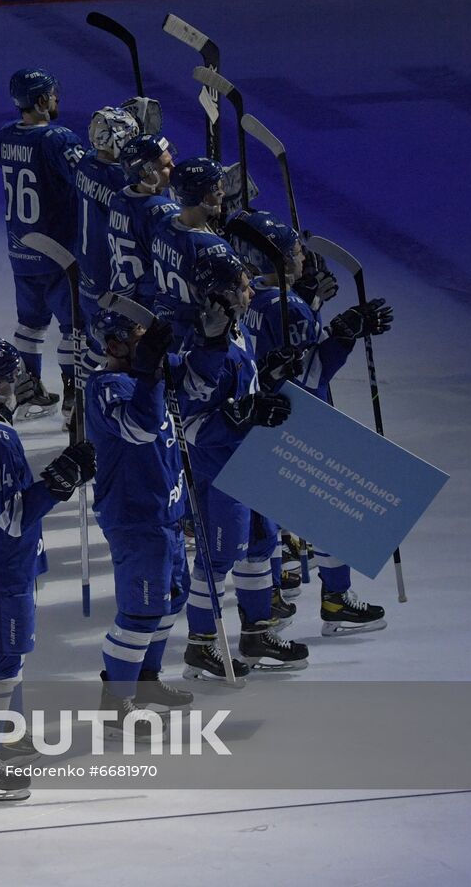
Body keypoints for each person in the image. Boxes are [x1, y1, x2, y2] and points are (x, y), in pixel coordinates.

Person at [0, 337, 95, 800]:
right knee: (3, 660)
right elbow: (13, 518)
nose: (22, 380)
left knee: (3, 654)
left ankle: (8, 732)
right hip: (0, 564)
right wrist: (60, 479)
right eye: (14, 375)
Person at [230, 211, 394, 635]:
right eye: (296, 251)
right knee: (327, 510)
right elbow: (311, 374)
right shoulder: (292, 309)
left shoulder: (250, 300)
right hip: (299, 417)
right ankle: (336, 602)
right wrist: (344, 333)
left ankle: (267, 597)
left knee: (266, 512)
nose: (304, 257)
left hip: (257, 416)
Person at [176, 252, 305, 678]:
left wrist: (267, 379)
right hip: (219, 472)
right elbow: (190, 425)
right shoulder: (198, 347)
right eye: (244, 286)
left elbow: (240, 395)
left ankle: (255, 633)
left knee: (260, 546)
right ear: (221, 295)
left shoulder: (236, 333)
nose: (252, 292)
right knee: (218, 556)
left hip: (248, 462)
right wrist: (246, 414)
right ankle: (200, 644)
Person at [84, 309, 194, 726]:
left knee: (171, 599)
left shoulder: (152, 375)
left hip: (164, 513)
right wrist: (148, 372)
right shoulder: (106, 386)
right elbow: (140, 429)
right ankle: (116, 705)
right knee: (141, 611)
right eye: (137, 336)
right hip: (135, 519)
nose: (147, 342)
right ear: (114, 345)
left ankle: (146, 681)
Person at [0, 68, 86, 419]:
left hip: (21, 248)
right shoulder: (59, 139)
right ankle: (75, 396)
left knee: (30, 324)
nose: (57, 98)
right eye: (52, 93)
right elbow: (87, 178)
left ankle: (27, 390)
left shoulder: (4, 137)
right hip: (59, 252)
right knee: (75, 326)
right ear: (42, 100)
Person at [69, 105, 140, 428]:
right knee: (110, 348)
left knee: (95, 346)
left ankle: (79, 409)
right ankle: (89, 413)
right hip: (109, 277)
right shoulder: (118, 180)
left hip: (86, 271)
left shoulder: (85, 163)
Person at [147, 156, 235, 347]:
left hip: (165, 327)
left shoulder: (164, 223)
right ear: (204, 197)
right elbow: (234, 297)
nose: (222, 192)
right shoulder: (212, 248)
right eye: (217, 188)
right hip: (195, 337)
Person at [106, 134, 180, 311]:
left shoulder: (120, 198)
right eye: (166, 166)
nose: (174, 168)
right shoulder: (161, 211)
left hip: (123, 293)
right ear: (144, 173)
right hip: (151, 302)